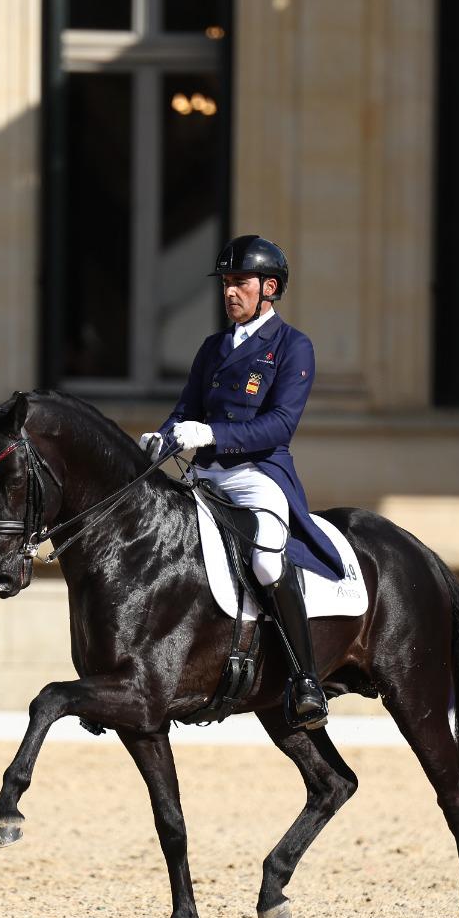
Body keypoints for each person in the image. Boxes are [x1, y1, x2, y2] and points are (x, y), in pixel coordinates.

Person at [140, 235, 346, 728]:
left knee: (269, 559)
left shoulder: (293, 346)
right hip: (206, 474)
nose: (230, 293)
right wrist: (161, 440)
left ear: (268, 287)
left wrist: (210, 431)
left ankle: (306, 679)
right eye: (227, 284)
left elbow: (279, 424)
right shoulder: (212, 347)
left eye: (240, 283)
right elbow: (185, 411)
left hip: (257, 474)